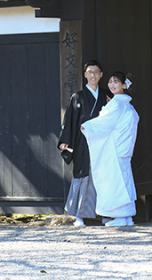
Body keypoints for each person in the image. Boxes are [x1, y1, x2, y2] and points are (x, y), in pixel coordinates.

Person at [81, 71, 140, 227]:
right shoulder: (126, 104)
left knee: (115, 181)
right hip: (123, 149)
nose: (112, 85)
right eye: (110, 82)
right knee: (124, 179)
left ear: (123, 85)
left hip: (115, 149)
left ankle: (120, 216)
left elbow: (105, 122)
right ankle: (127, 216)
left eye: (116, 82)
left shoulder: (117, 103)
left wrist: (87, 127)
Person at [58, 60, 108, 227]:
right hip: (82, 142)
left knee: (102, 176)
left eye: (96, 72)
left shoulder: (107, 96)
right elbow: (70, 121)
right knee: (82, 175)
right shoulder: (77, 97)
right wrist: (65, 141)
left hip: (102, 143)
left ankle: (105, 214)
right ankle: (78, 215)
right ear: (85, 75)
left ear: (101, 75)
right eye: (90, 72)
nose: (93, 75)